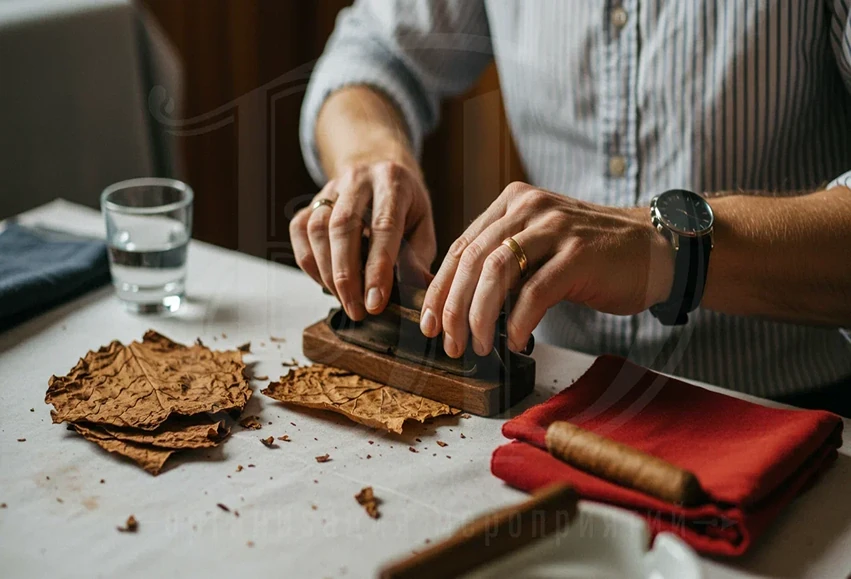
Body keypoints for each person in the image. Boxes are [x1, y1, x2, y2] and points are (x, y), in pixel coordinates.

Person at [292, 1, 851, 415]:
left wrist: (660, 250)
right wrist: (370, 155)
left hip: (795, 409)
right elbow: (378, 49)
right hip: (552, 391)